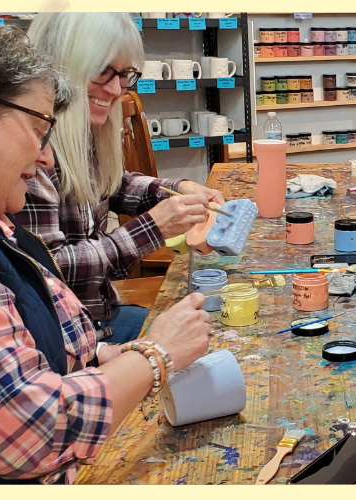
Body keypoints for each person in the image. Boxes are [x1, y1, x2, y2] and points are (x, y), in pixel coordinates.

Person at [0, 13, 211, 484]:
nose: (46, 157)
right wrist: (155, 355)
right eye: (41, 128)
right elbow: (35, 430)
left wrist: (99, 360)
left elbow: (35, 340)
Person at [17, 13, 225, 345]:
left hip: (99, 315)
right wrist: (152, 230)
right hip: (67, 340)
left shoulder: (84, 132)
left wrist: (176, 189)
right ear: (62, 67)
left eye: (125, 74)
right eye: (103, 72)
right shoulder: (30, 153)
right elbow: (50, 270)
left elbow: (116, 185)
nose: (116, 89)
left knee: (212, 335)